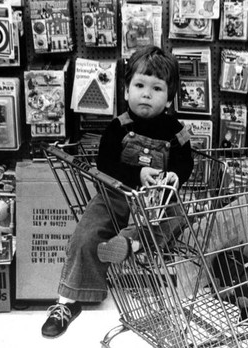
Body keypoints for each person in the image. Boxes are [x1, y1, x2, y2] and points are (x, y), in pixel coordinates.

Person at [41, 45, 194, 339]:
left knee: (178, 216)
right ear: (125, 91)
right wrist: (137, 173)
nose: (146, 94)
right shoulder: (118, 126)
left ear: (169, 97)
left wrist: (175, 175)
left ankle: (130, 243)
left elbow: (185, 163)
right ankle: (66, 303)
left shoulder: (177, 131)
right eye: (139, 85)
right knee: (85, 234)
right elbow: (105, 163)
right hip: (114, 197)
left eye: (157, 88)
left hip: (154, 204)